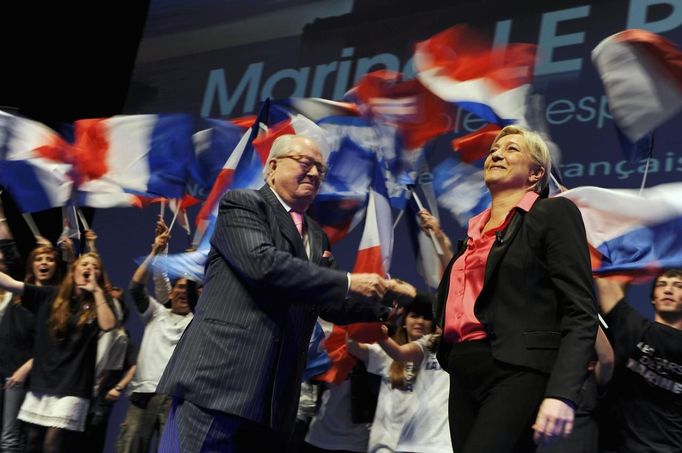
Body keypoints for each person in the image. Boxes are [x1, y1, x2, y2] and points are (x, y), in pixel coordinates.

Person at [157, 133, 392, 452]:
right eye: (304, 163)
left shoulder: (317, 237)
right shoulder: (243, 204)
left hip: (273, 400)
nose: (313, 173)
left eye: (320, 169)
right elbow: (263, 265)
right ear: (271, 167)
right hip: (219, 380)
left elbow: (327, 301)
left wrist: (386, 305)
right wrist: (349, 281)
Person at [433, 125, 598, 452]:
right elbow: (468, 304)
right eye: (495, 148)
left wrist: (561, 393)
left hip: (517, 369)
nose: (496, 153)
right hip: (464, 370)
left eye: (511, 149)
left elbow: (580, 311)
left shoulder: (552, 213)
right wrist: (405, 295)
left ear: (536, 173)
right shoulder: (473, 234)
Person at [0, 252, 116, 453]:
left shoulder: (100, 302)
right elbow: (10, 284)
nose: (89, 268)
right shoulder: (50, 295)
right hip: (43, 381)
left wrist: (96, 290)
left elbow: (108, 325)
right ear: (74, 271)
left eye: (95, 266)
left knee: (53, 442)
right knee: (33, 440)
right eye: (85, 264)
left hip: (73, 386)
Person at [117, 220, 194, 453]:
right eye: (178, 286)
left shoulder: (197, 322)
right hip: (143, 394)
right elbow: (135, 287)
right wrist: (156, 251)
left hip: (175, 400)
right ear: (171, 291)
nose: (182, 290)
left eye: (187, 287)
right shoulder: (155, 313)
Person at [594, 269, 682, 452]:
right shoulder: (634, 330)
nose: (668, 290)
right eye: (662, 284)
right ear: (653, 298)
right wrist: (635, 259)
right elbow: (606, 281)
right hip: (616, 446)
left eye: (678, 286)